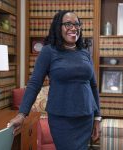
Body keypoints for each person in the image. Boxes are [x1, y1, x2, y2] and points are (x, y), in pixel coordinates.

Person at [7, 10, 101, 150]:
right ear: (58, 27)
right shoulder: (48, 51)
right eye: (68, 24)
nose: (73, 28)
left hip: (85, 116)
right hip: (61, 118)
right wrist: (22, 114)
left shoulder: (85, 53)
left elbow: (93, 86)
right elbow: (34, 84)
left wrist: (97, 117)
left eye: (77, 24)